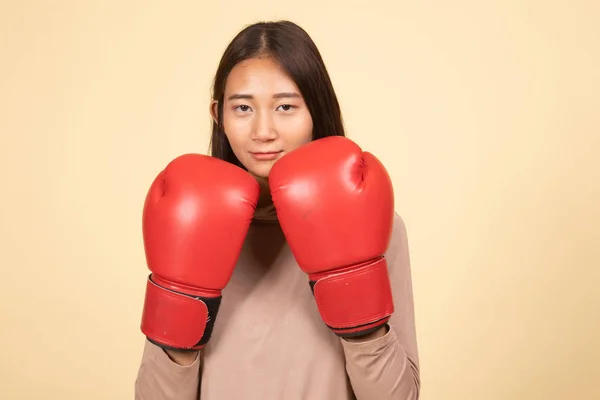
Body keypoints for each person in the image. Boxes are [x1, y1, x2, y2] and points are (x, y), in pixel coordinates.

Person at [134, 20, 420, 399]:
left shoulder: (377, 224)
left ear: (316, 110)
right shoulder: (188, 218)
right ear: (218, 115)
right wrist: (180, 312)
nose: (263, 130)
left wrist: (358, 307)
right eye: (243, 107)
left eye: (285, 106)